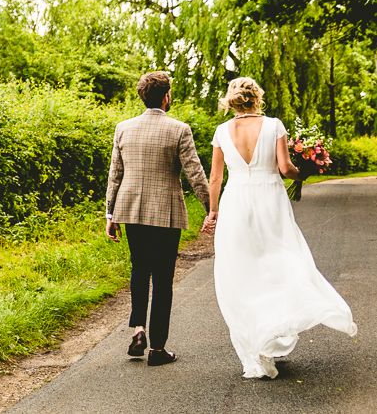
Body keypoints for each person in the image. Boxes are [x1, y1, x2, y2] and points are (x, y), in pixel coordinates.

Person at [202, 77, 358, 379]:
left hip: (236, 202)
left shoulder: (221, 131)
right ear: (256, 98)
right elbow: (285, 169)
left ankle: (259, 339)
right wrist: (304, 173)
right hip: (270, 200)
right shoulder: (274, 125)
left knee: (243, 270)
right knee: (281, 262)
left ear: (232, 100)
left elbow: (215, 179)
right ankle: (272, 336)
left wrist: (213, 211)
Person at [105, 71, 210, 366]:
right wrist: (212, 208)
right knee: (163, 279)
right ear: (166, 97)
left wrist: (110, 214)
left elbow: (115, 174)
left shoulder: (124, 128)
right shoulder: (179, 129)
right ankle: (158, 349)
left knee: (139, 269)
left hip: (131, 210)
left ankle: (138, 331)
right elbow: (195, 174)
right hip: (166, 211)